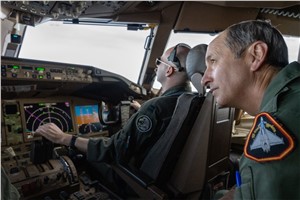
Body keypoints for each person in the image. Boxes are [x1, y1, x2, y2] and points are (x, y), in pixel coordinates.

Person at [35, 43, 192, 196]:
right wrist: (141, 111)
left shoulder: (155, 107)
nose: (156, 66)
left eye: (159, 62)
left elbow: (113, 150)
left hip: (135, 182)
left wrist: (64, 137)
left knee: (82, 155)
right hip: (166, 179)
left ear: (169, 70)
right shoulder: (191, 100)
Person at [201, 20, 300, 199]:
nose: (204, 79)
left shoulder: (279, 124)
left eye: (213, 61)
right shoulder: (293, 98)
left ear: (255, 56)